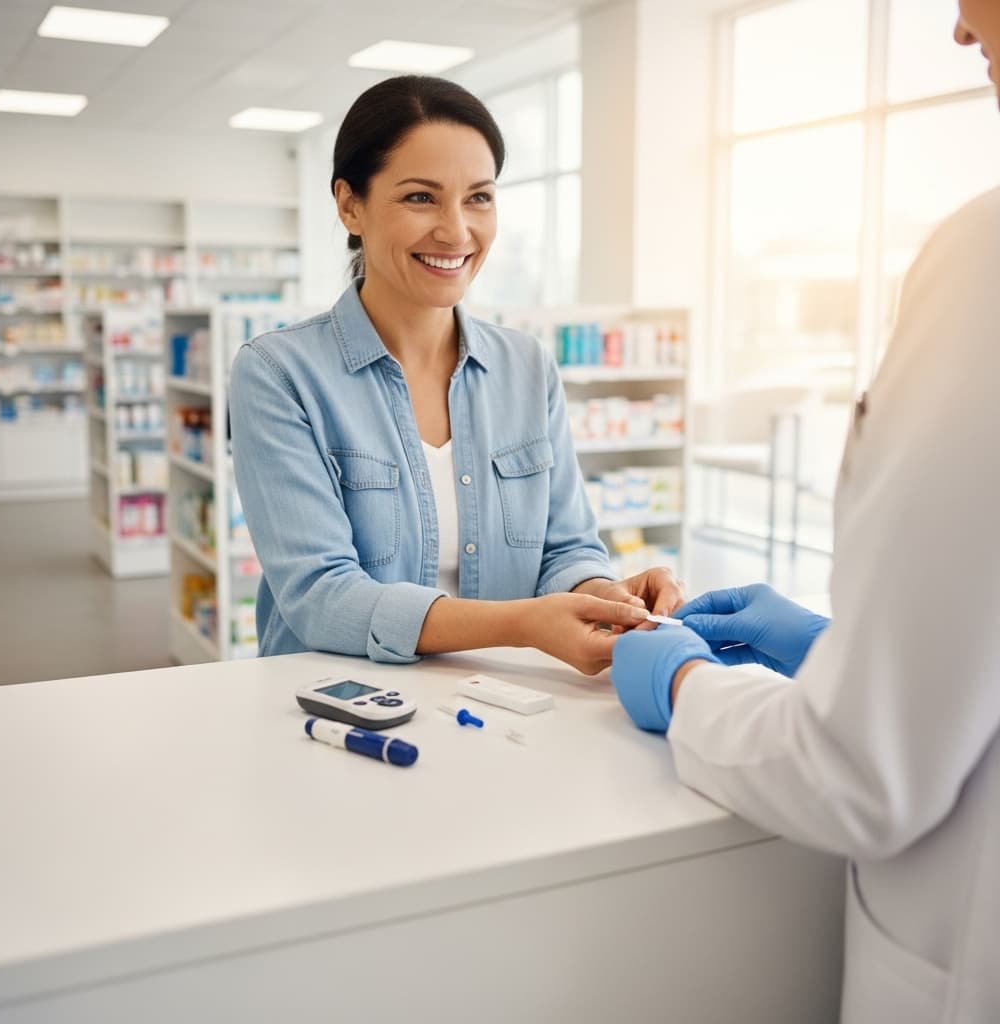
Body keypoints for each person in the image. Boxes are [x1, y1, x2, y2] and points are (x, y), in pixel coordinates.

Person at [610, 3, 1000, 1019]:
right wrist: (845, 648)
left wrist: (687, 685)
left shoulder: (989, 258)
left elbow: (860, 773)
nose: (958, 30)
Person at [229, 75, 681, 675]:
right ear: (349, 204)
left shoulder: (526, 367)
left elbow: (565, 547)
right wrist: (521, 626)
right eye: (421, 197)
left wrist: (601, 592)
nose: (456, 230)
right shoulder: (279, 373)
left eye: (479, 197)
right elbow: (320, 596)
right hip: (343, 712)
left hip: (505, 703)